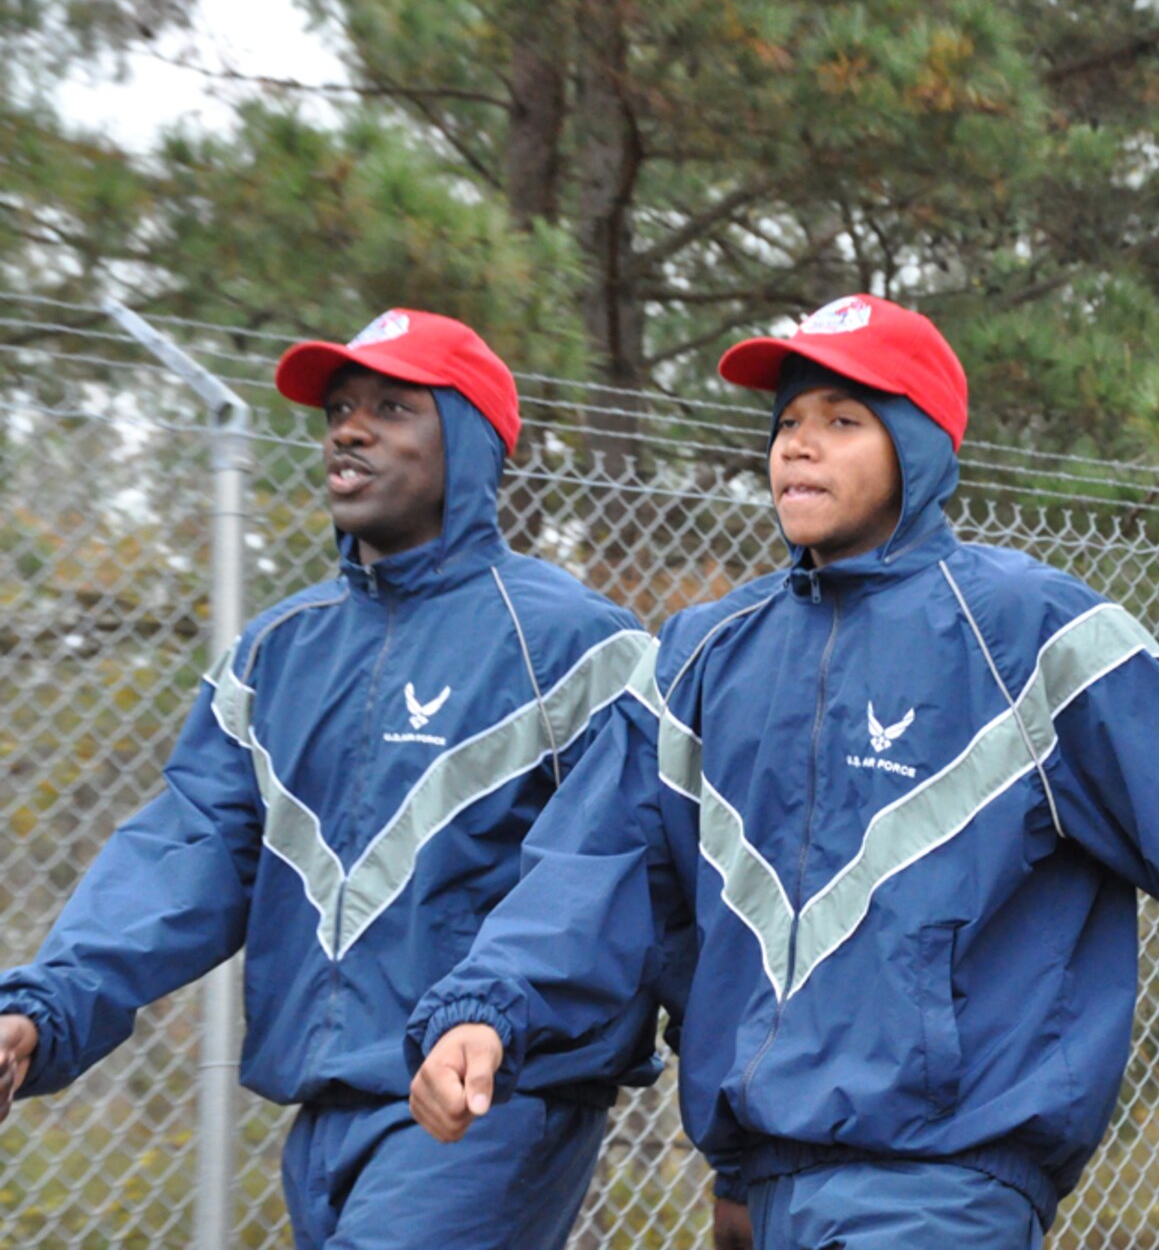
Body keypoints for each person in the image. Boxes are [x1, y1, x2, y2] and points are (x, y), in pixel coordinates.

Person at [407, 293, 1159, 1249]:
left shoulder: (1032, 634)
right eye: (787, 419)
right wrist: (489, 1009)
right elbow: (594, 871)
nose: (797, 443)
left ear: (917, 447)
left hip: (946, 1184)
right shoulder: (702, 655)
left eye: (843, 419)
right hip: (768, 1185)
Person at [0, 310, 665, 1250]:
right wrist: (44, 1006)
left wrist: (489, 1016)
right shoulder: (277, 650)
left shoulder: (574, 644)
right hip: (321, 1114)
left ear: (468, 444)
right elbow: (187, 853)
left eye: (392, 409)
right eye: (341, 409)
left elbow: (601, 878)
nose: (349, 429)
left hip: (488, 1103)